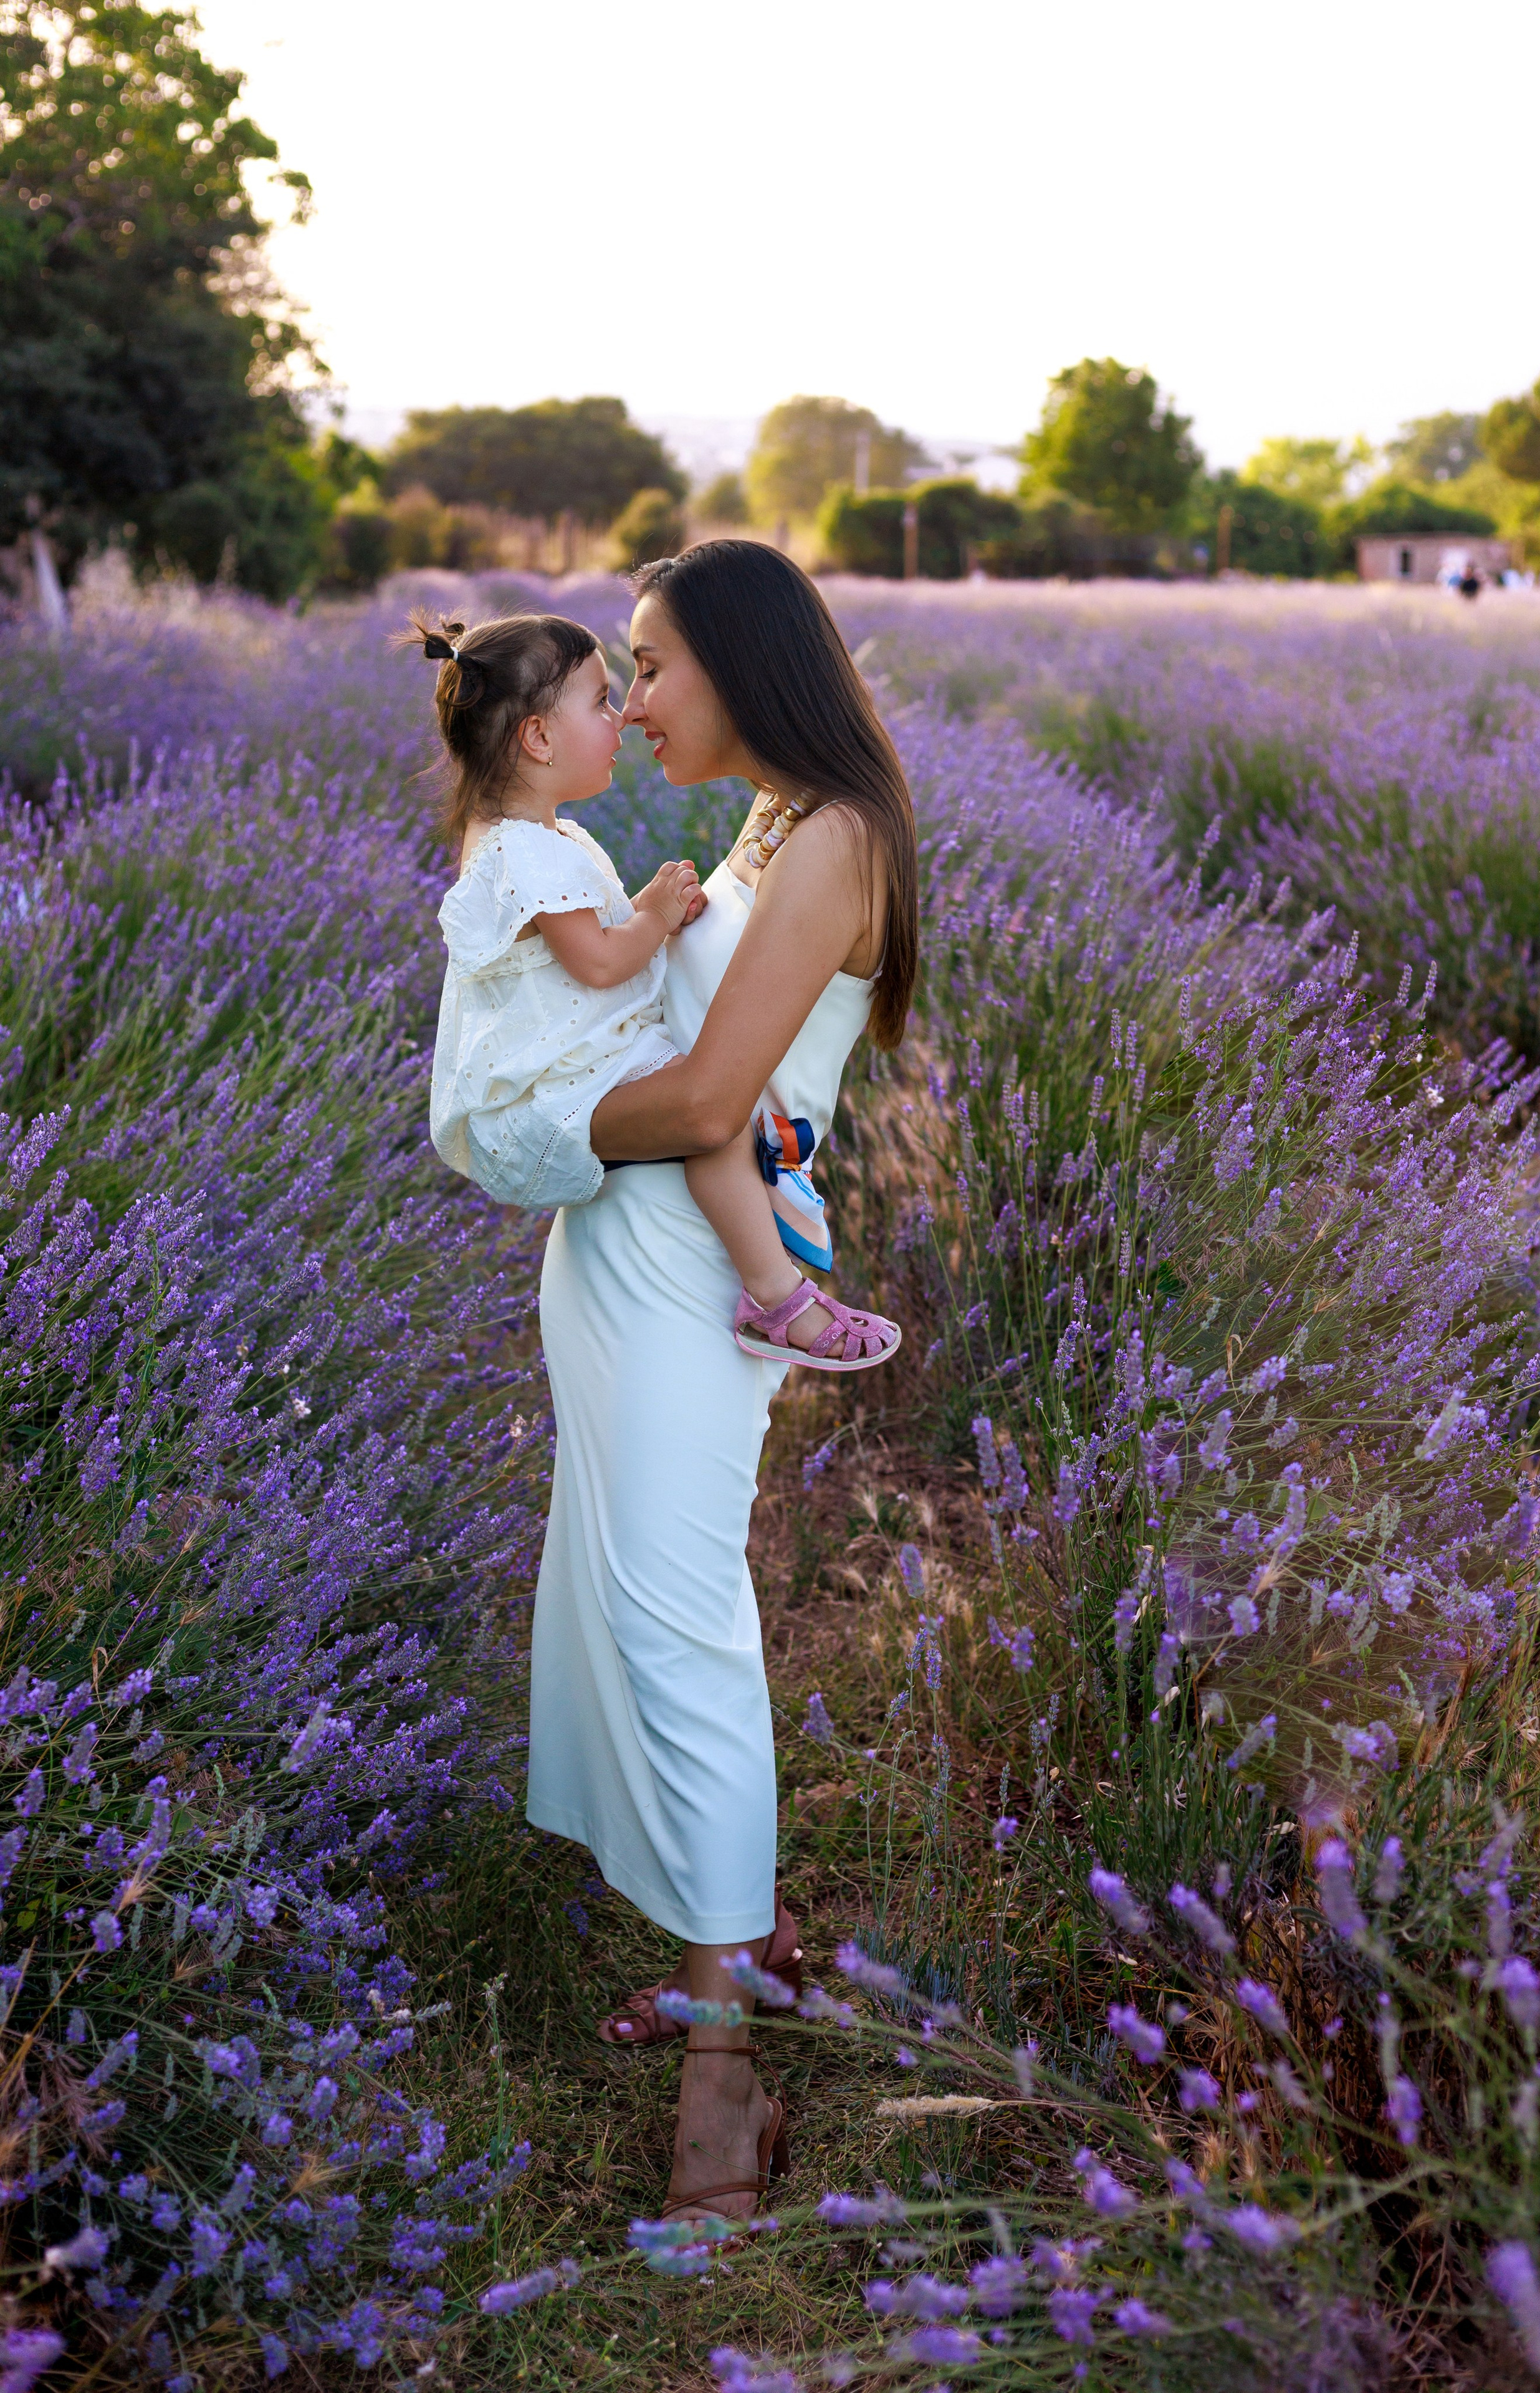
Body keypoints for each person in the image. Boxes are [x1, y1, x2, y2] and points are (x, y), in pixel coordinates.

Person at [525, 541, 920, 2226]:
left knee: (683, 1629)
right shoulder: (765, 824)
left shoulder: (835, 840)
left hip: (698, 1282)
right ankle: (719, 1972)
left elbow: (707, 1113)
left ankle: (723, 2102)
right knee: (628, 1608)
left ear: (747, 666)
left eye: (649, 665)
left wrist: (510, 1136)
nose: (628, 699)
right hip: (632, 1273)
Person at [417, 609, 898, 1370]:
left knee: (714, 1118)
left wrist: (653, 919)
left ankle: (775, 1277)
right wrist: (655, 916)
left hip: (590, 1086)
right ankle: (777, 1295)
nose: (625, 716)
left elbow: (586, 951)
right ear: (538, 740)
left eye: (640, 678)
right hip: (574, 1078)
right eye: (602, 700)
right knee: (715, 1121)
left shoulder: (539, 840)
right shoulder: (528, 853)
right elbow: (601, 965)